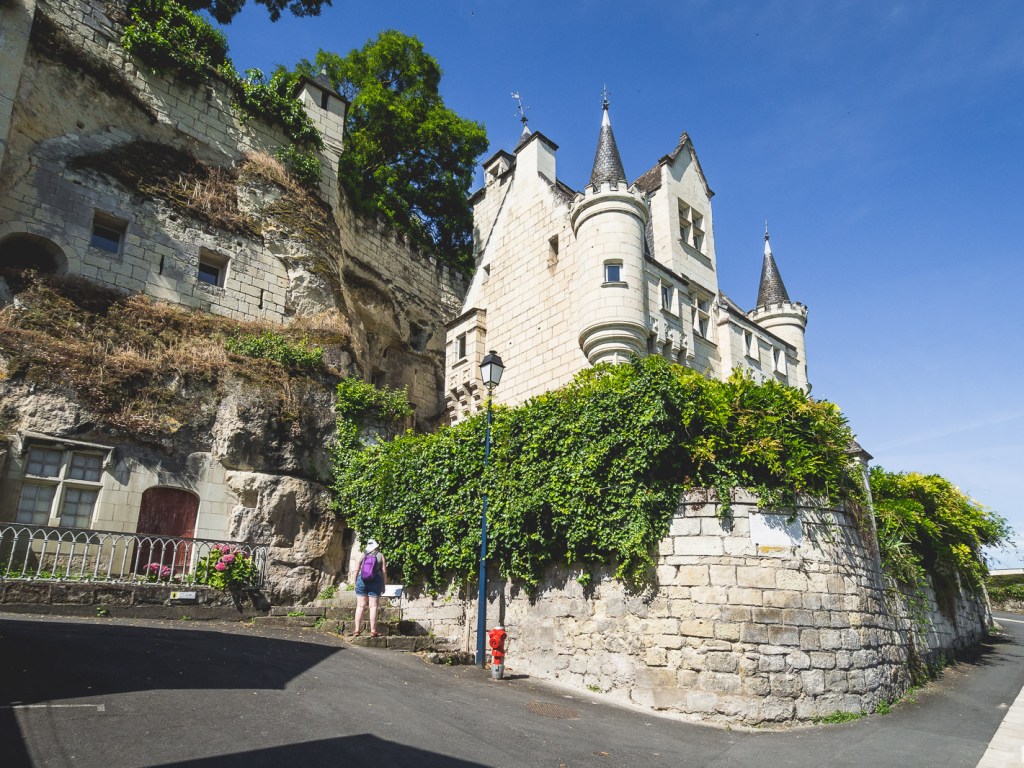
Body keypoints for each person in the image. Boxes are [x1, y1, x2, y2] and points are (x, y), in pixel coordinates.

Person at [352, 539, 387, 637]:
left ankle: (357, 630)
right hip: (375, 581)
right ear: (376, 546)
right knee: (373, 606)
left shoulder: (361, 555)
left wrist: (354, 582)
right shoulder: (380, 555)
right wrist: (384, 585)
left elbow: (356, 570)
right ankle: (373, 631)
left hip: (362, 581)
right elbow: (384, 571)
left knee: (360, 606)